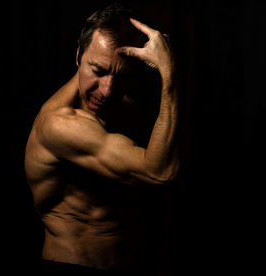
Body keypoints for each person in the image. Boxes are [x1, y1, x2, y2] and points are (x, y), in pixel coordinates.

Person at [25, 3, 179, 275]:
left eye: (121, 76)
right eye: (97, 71)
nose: (107, 91)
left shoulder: (124, 106)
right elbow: (160, 172)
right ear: (78, 56)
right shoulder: (60, 124)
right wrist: (171, 76)